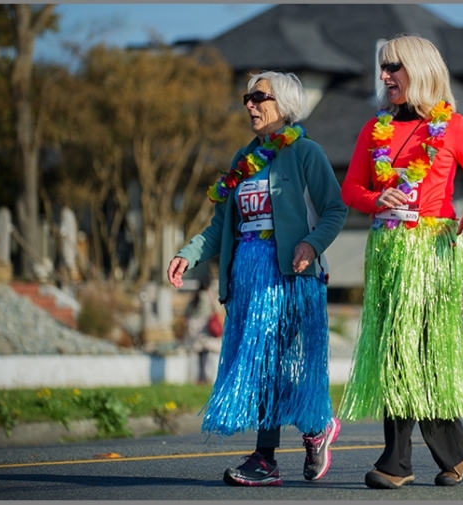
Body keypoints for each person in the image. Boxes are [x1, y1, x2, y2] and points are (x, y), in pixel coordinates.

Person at [167, 71, 348, 487]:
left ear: (283, 103)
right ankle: (308, 431)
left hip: (291, 277)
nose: (249, 104)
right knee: (266, 363)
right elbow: (221, 226)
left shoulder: (306, 152)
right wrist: (187, 254)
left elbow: (335, 210)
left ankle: (274, 454)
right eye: (247, 97)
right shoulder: (243, 160)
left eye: (259, 96)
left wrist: (311, 245)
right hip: (248, 276)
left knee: (273, 361)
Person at [338, 35, 463, 490]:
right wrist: (374, 198)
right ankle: (450, 449)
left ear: (421, 69)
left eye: (394, 67)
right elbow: (350, 188)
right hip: (388, 250)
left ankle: (398, 462)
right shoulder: (374, 129)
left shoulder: (455, 127)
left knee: (419, 351)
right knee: (394, 351)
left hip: (431, 252)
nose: (384, 75)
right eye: (383, 67)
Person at [183, 276, 222, 384]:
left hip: (193, 326)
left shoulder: (194, 296)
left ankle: (200, 377)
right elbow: (216, 308)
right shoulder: (209, 296)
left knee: (199, 354)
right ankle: (204, 377)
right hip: (205, 326)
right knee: (205, 353)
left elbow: (187, 312)